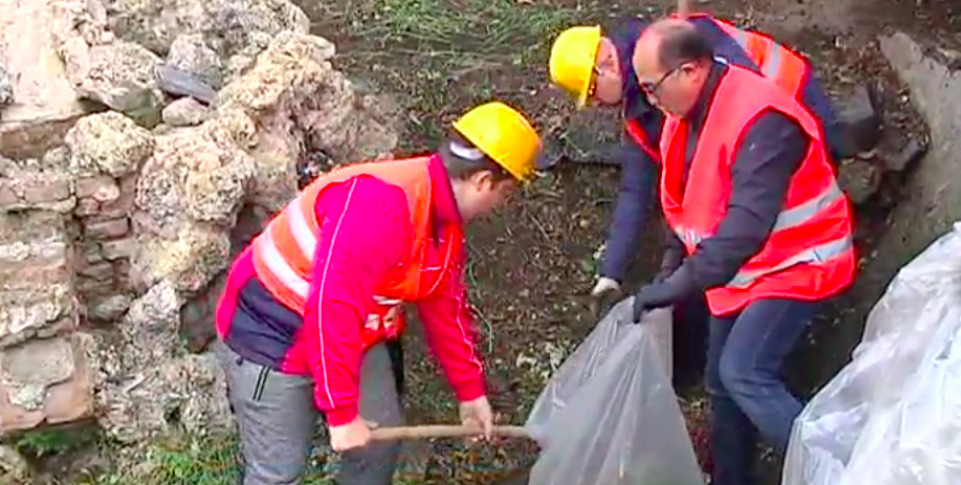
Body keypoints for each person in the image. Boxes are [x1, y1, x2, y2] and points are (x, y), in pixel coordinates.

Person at [213, 101, 543, 485]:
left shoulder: (442, 223)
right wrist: (340, 412)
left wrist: (470, 392)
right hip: (270, 335)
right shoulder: (381, 206)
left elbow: (444, 307)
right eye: (503, 195)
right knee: (279, 470)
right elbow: (330, 308)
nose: (497, 207)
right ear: (483, 181)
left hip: (351, 332)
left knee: (378, 444)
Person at [628, 19, 856, 485]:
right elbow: (686, 204)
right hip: (743, 274)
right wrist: (673, 270)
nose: (648, 100)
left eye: (652, 87)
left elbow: (745, 228)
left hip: (801, 261)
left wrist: (676, 287)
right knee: (720, 382)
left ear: (690, 71)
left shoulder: (763, 120)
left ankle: (841, 470)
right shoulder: (681, 118)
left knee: (745, 372)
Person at [548, 14, 849, 310]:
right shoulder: (642, 108)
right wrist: (610, 274)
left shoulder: (681, 44)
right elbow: (636, 192)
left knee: (790, 214)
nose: (598, 104)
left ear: (605, 70)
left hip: (799, 111)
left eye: (592, 94)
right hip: (766, 149)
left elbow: (744, 110)